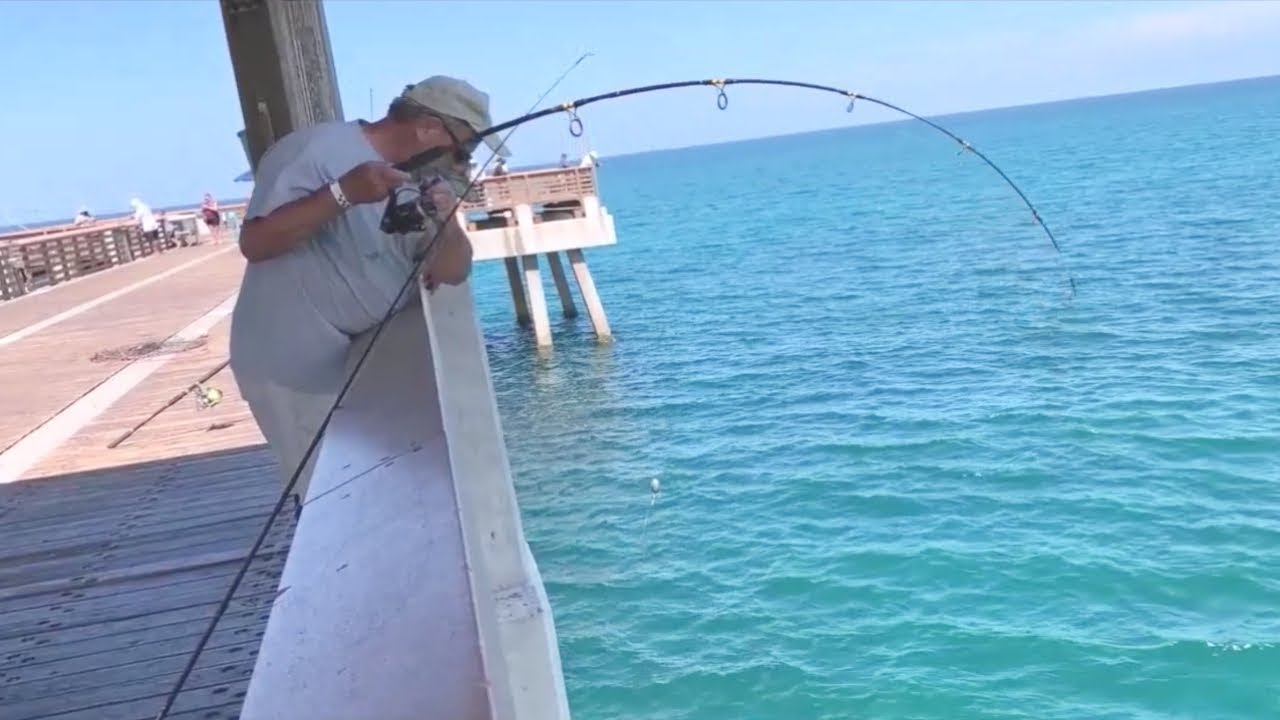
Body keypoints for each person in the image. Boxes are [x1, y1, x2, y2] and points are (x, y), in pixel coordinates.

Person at [228, 75, 509, 508]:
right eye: (463, 149)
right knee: (327, 501)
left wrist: (449, 224)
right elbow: (257, 243)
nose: (464, 164)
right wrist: (343, 194)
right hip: (294, 372)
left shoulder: (426, 180)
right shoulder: (315, 151)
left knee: (376, 497)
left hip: (362, 368)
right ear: (429, 128)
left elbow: (453, 271)